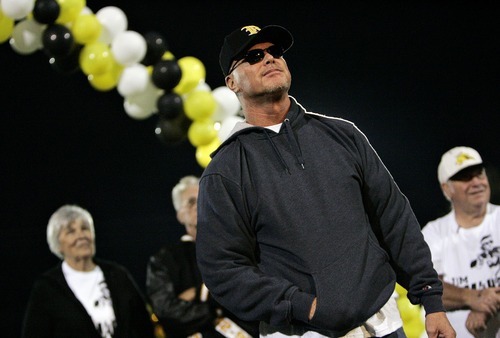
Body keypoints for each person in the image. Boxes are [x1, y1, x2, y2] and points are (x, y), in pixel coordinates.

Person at [195, 24, 456, 338]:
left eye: (275, 52)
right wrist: (304, 307)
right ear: (231, 82)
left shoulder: (342, 134)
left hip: (382, 324)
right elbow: (222, 268)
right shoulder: (225, 171)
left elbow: (393, 218)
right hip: (301, 332)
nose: (270, 59)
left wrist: (431, 298)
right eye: (254, 56)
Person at [146, 175, 259, 338]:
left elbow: (251, 291)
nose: (200, 204)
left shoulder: (238, 244)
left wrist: (197, 295)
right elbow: (167, 311)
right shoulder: (164, 260)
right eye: (191, 202)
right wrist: (214, 307)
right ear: (179, 215)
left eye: (204, 198)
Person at [21, 204, 156, 338]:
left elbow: (144, 325)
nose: (81, 236)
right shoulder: (47, 288)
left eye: (85, 228)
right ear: (57, 245)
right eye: (71, 231)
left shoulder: (117, 275)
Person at [422, 146, 500, 337]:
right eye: (465, 177)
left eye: (479, 174)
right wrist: (474, 298)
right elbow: (427, 287)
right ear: (446, 188)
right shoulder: (434, 233)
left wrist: (485, 306)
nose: (476, 182)